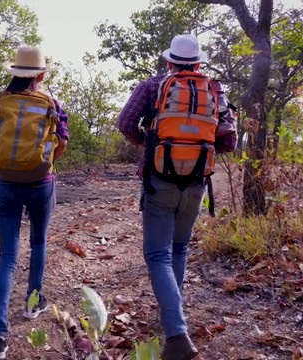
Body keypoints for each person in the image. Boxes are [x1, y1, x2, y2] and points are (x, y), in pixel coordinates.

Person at [117, 34, 237, 360]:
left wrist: (151, 144)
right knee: (179, 248)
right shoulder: (214, 89)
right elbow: (229, 141)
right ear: (198, 63)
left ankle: (176, 333)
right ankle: (174, 319)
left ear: (169, 60)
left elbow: (125, 122)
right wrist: (200, 146)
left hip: (159, 180)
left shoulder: (152, 86)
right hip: (196, 183)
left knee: (157, 255)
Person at [0, 45, 69, 360]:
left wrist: (1, 162)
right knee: (38, 242)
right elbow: (64, 141)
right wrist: (45, 163)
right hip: (41, 183)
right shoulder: (52, 103)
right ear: (41, 75)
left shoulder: (0, 103)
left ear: (14, 73)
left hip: (5, 184)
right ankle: (32, 305)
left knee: (7, 257)